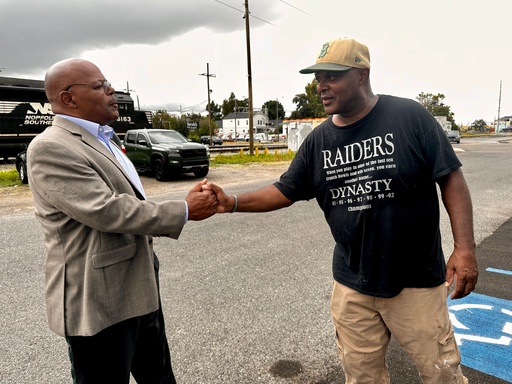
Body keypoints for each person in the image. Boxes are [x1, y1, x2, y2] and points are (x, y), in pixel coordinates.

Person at [207, 38, 478, 383]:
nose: (321, 86)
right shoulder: (319, 141)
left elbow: (450, 178)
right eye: (318, 78)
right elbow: (285, 190)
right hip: (352, 285)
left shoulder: (409, 117)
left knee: (441, 375)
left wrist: (465, 248)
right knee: (362, 377)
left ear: (362, 74)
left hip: (415, 282)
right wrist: (230, 202)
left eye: (332, 77)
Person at [27, 58, 217, 384]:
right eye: (100, 85)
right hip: (100, 301)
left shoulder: (105, 137)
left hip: (139, 285)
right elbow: (107, 210)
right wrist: (184, 210)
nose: (111, 90)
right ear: (68, 98)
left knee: (158, 377)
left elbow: (131, 199)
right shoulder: (50, 147)